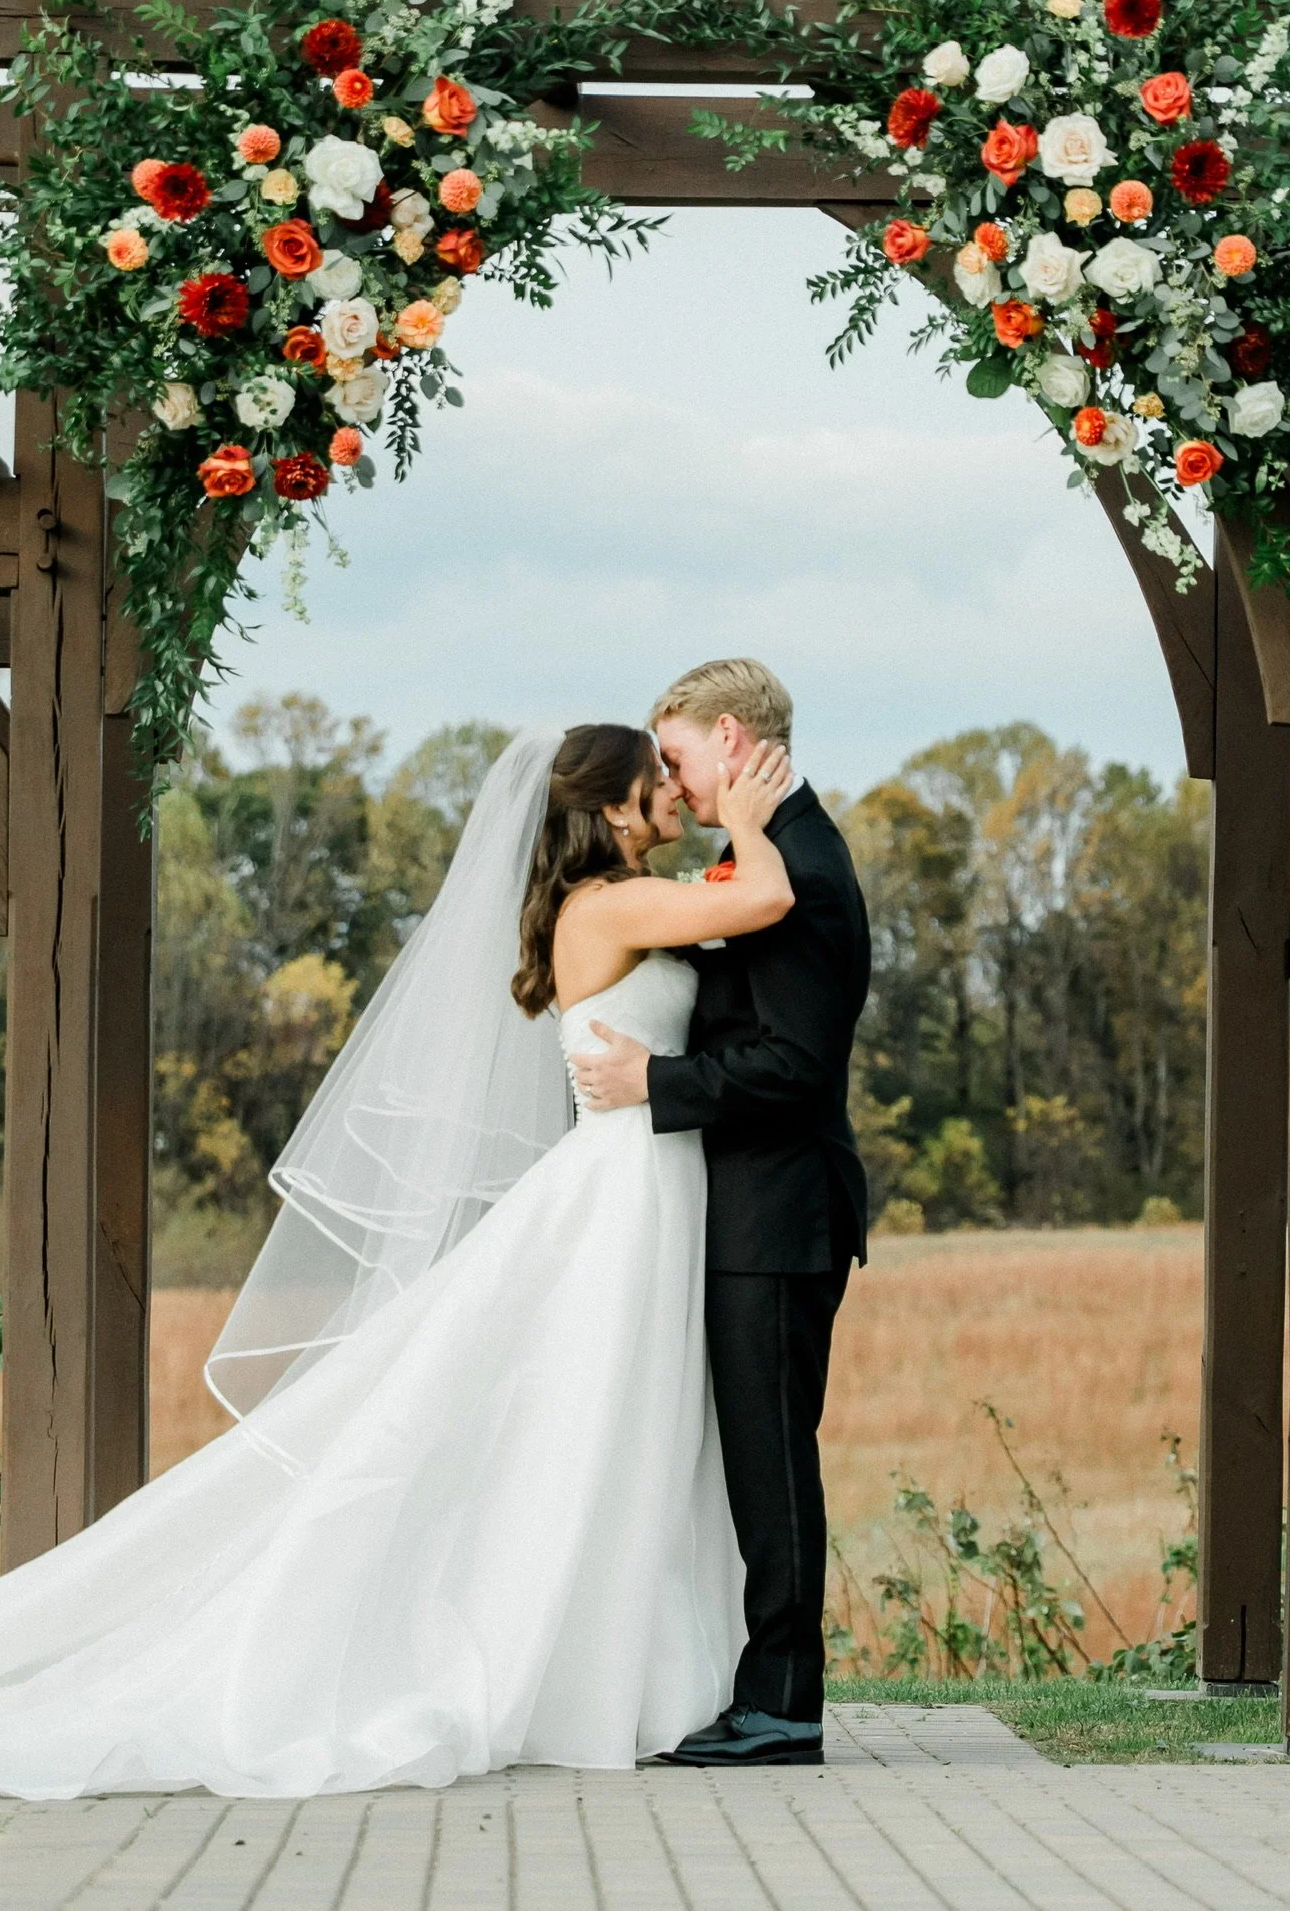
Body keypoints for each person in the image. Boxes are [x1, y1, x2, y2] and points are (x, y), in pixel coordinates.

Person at [0, 722, 800, 1799]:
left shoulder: (620, 898)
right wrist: (747, 820)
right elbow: (765, 903)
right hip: (617, 1197)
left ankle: (611, 1665)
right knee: (591, 1418)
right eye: (655, 778)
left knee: (617, 1429)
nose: (669, 788)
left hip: (645, 1186)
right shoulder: (603, 907)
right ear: (608, 810)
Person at [569, 659, 871, 1768]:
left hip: (777, 1211)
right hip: (746, 1206)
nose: (678, 785)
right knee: (751, 1455)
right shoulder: (763, 861)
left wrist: (658, 1085)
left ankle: (785, 1703)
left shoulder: (808, 872)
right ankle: (761, 1688)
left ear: (734, 742)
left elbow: (792, 1062)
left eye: (683, 760)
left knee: (771, 1458)